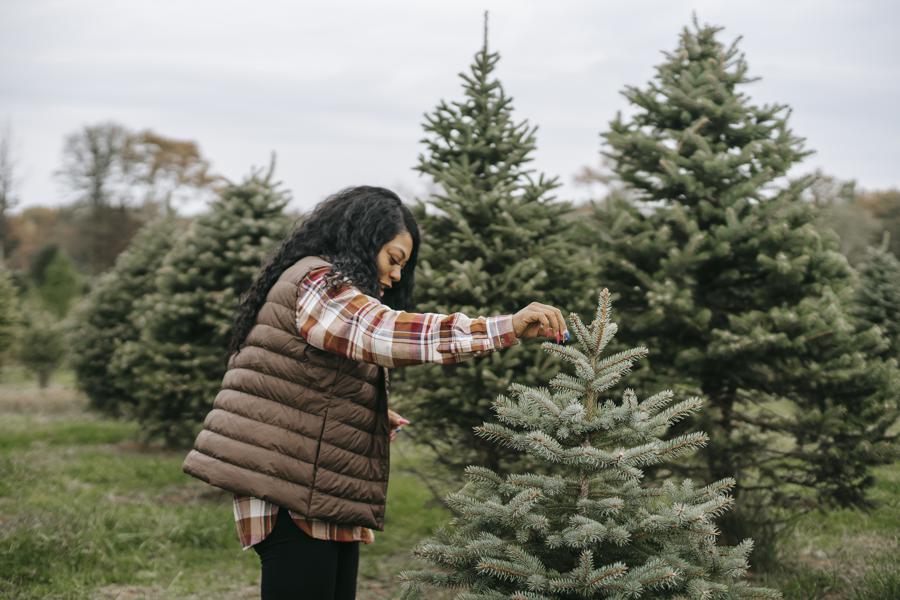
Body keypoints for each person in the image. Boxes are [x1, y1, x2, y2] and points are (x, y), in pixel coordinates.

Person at [181, 185, 569, 600]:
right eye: (393, 259)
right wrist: (501, 328)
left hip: (315, 486)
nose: (397, 274)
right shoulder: (320, 282)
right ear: (363, 241)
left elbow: (299, 377)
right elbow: (380, 333)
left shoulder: (322, 284)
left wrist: (369, 412)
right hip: (291, 490)